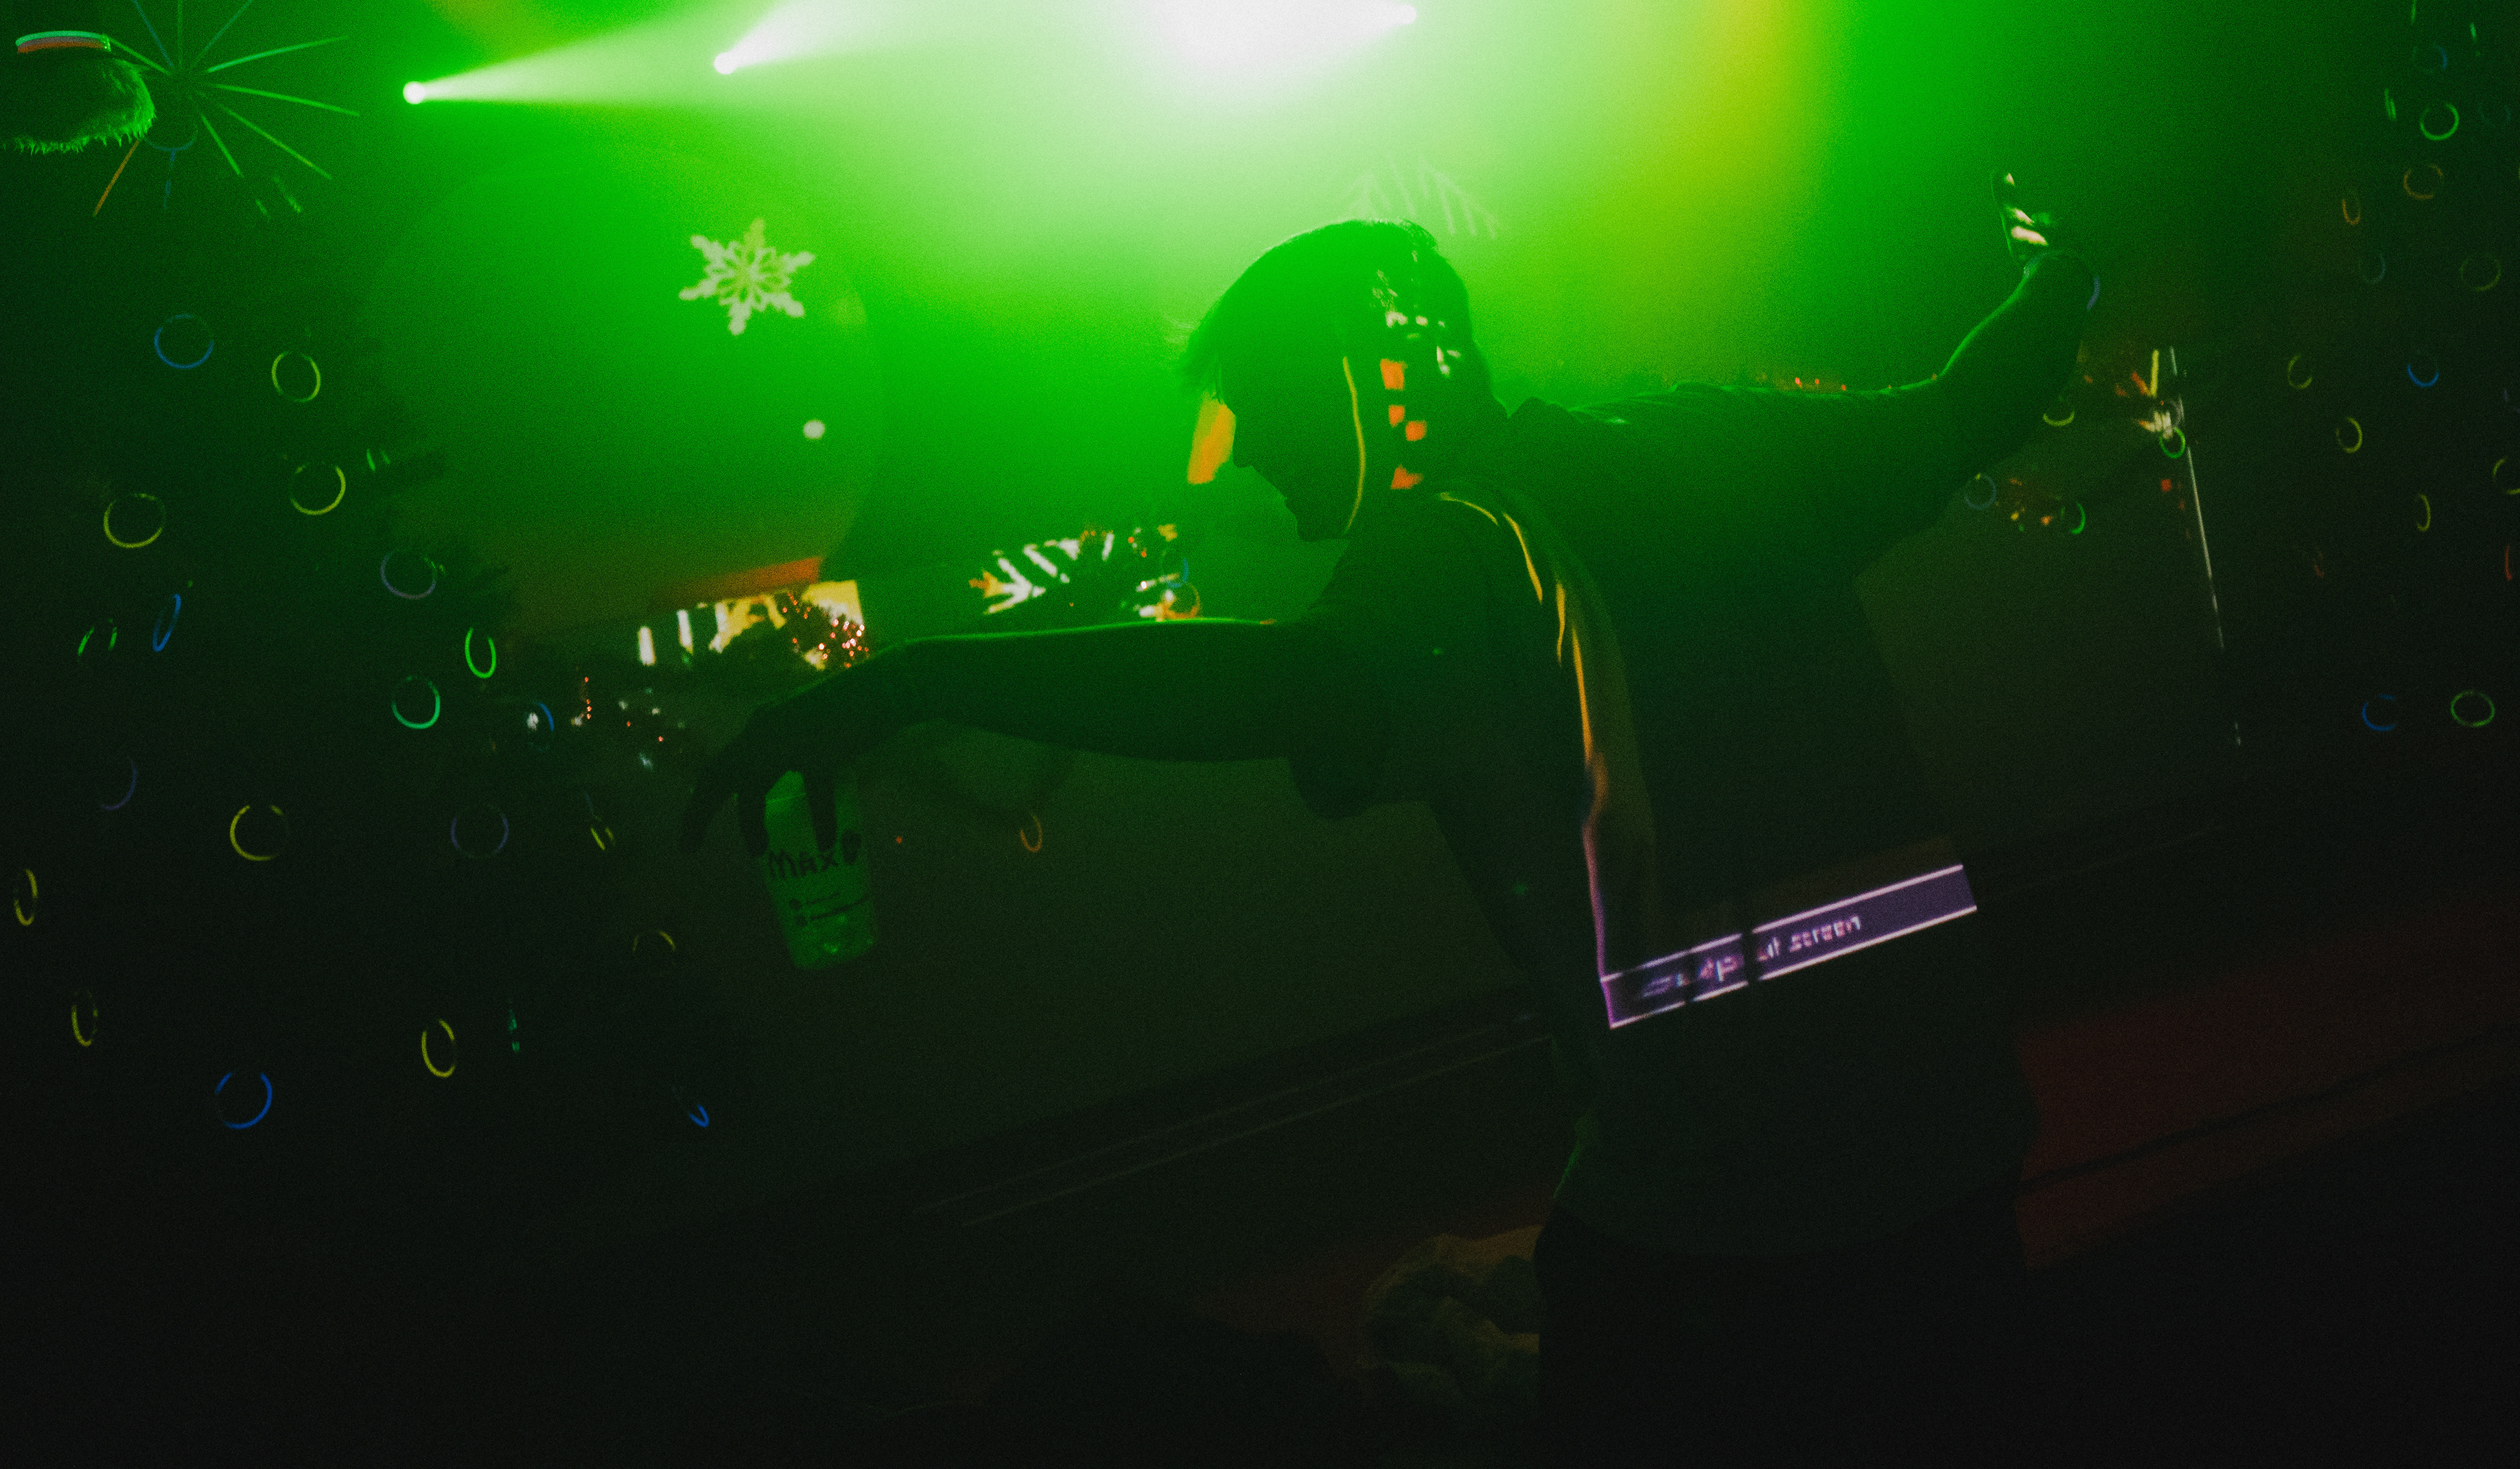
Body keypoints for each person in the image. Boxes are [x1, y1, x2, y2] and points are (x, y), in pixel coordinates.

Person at [684, 185, 2100, 1464]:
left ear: (1367, 382)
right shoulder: (1720, 438)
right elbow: (1976, 400)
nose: (1251, 458)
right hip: (1947, 1123)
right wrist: (2070, 262)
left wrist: (917, 679)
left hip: (1739, 1204)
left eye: (1267, 407)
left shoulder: (1453, 551)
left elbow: (1269, 688)